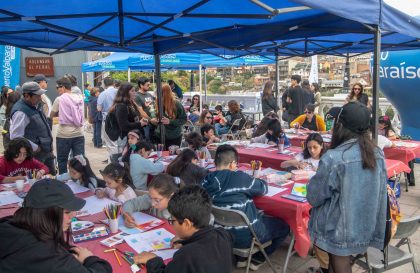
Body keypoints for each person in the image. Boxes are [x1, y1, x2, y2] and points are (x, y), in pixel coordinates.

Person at [307, 102, 387, 273]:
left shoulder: (334, 158)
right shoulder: (377, 153)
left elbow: (313, 197)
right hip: (367, 225)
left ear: (340, 126)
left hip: (338, 229)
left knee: (339, 263)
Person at [202, 145, 290, 270]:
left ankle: (242, 258)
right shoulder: (241, 178)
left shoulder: (206, 180)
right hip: (246, 237)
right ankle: (258, 258)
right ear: (233, 164)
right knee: (284, 226)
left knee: (252, 215)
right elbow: (263, 188)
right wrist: (256, 178)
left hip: (218, 234)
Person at [0, 179, 113, 273]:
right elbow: (104, 270)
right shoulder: (47, 255)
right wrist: (89, 259)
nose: (74, 216)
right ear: (46, 215)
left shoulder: (10, 224)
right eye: (67, 212)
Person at [134, 185, 233, 273]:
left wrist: (153, 260)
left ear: (186, 223)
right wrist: (188, 241)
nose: (172, 225)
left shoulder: (186, 255)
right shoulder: (223, 234)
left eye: (172, 221)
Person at [10, 81, 56, 175]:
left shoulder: (34, 105)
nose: (40, 98)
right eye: (37, 95)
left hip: (46, 151)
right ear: (27, 96)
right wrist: (35, 147)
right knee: (37, 183)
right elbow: (15, 136)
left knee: (51, 179)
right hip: (35, 155)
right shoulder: (21, 112)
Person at [51, 77, 85, 174]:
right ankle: (79, 179)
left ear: (63, 87)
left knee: (62, 160)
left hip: (63, 135)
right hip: (79, 134)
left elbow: (51, 114)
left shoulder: (59, 99)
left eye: (58, 87)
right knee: (80, 160)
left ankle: (64, 181)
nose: (57, 90)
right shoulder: (79, 98)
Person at [108, 82, 148, 162]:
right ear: (126, 92)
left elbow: (132, 118)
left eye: (134, 91)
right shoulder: (122, 106)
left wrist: (141, 120)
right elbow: (124, 125)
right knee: (123, 159)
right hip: (124, 139)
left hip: (130, 138)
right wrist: (140, 123)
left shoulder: (130, 103)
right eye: (132, 91)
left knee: (130, 156)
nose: (135, 93)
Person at [152, 84, 187, 148]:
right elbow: (154, 115)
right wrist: (154, 120)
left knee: (172, 157)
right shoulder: (158, 102)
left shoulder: (176, 104)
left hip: (173, 137)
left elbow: (184, 120)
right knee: (160, 156)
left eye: (160, 94)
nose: (157, 96)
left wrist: (170, 122)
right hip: (159, 135)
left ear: (165, 94)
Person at [97, 77, 118, 162]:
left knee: (110, 143)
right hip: (120, 119)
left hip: (108, 121)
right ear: (113, 83)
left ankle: (113, 163)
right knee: (118, 143)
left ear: (104, 84)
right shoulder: (119, 92)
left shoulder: (103, 94)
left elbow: (99, 108)